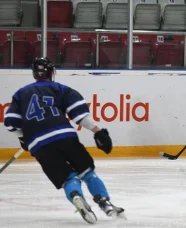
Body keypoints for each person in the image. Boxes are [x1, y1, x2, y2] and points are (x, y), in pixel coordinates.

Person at [3, 57, 125, 224]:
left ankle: (76, 195)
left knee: (68, 178)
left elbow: (10, 122)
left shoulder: (20, 94)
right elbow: (80, 115)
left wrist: (23, 138)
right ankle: (105, 203)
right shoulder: (59, 89)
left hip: (39, 146)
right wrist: (98, 132)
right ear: (51, 72)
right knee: (88, 173)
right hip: (65, 136)